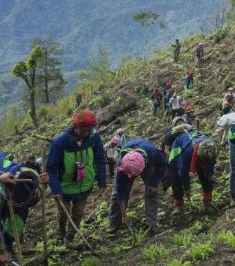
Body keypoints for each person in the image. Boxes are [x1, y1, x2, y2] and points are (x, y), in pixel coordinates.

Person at [47, 110, 106, 248]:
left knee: (78, 213)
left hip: (85, 184)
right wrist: (56, 189)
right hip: (64, 187)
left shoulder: (94, 137)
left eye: (89, 130)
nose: (86, 133)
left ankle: (70, 238)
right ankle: (60, 233)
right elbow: (51, 168)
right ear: (75, 127)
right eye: (83, 130)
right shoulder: (60, 142)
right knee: (63, 213)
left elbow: (100, 159)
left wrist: (101, 180)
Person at [107, 139, 167, 234]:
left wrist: (154, 183)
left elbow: (162, 166)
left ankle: (152, 223)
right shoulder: (123, 164)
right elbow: (120, 191)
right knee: (116, 194)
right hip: (129, 165)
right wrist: (124, 215)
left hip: (147, 162)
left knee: (152, 191)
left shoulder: (153, 153)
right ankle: (114, 221)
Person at [0, 153, 47, 260]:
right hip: (7, 195)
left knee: (16, 222)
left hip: (19, 198)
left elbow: (40, 186)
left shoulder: (30, 181)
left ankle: (10, 246)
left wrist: (45, 181)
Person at [169, 129, 219, 214]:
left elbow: (211, 162)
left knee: (205, 177)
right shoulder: (188, 152)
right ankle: (179, 205)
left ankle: (208, 202)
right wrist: (187, 188)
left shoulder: (212, 147)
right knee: (176, 179)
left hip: (195, 151)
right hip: (178, 150)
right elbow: (182, 171)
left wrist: (209, 174)